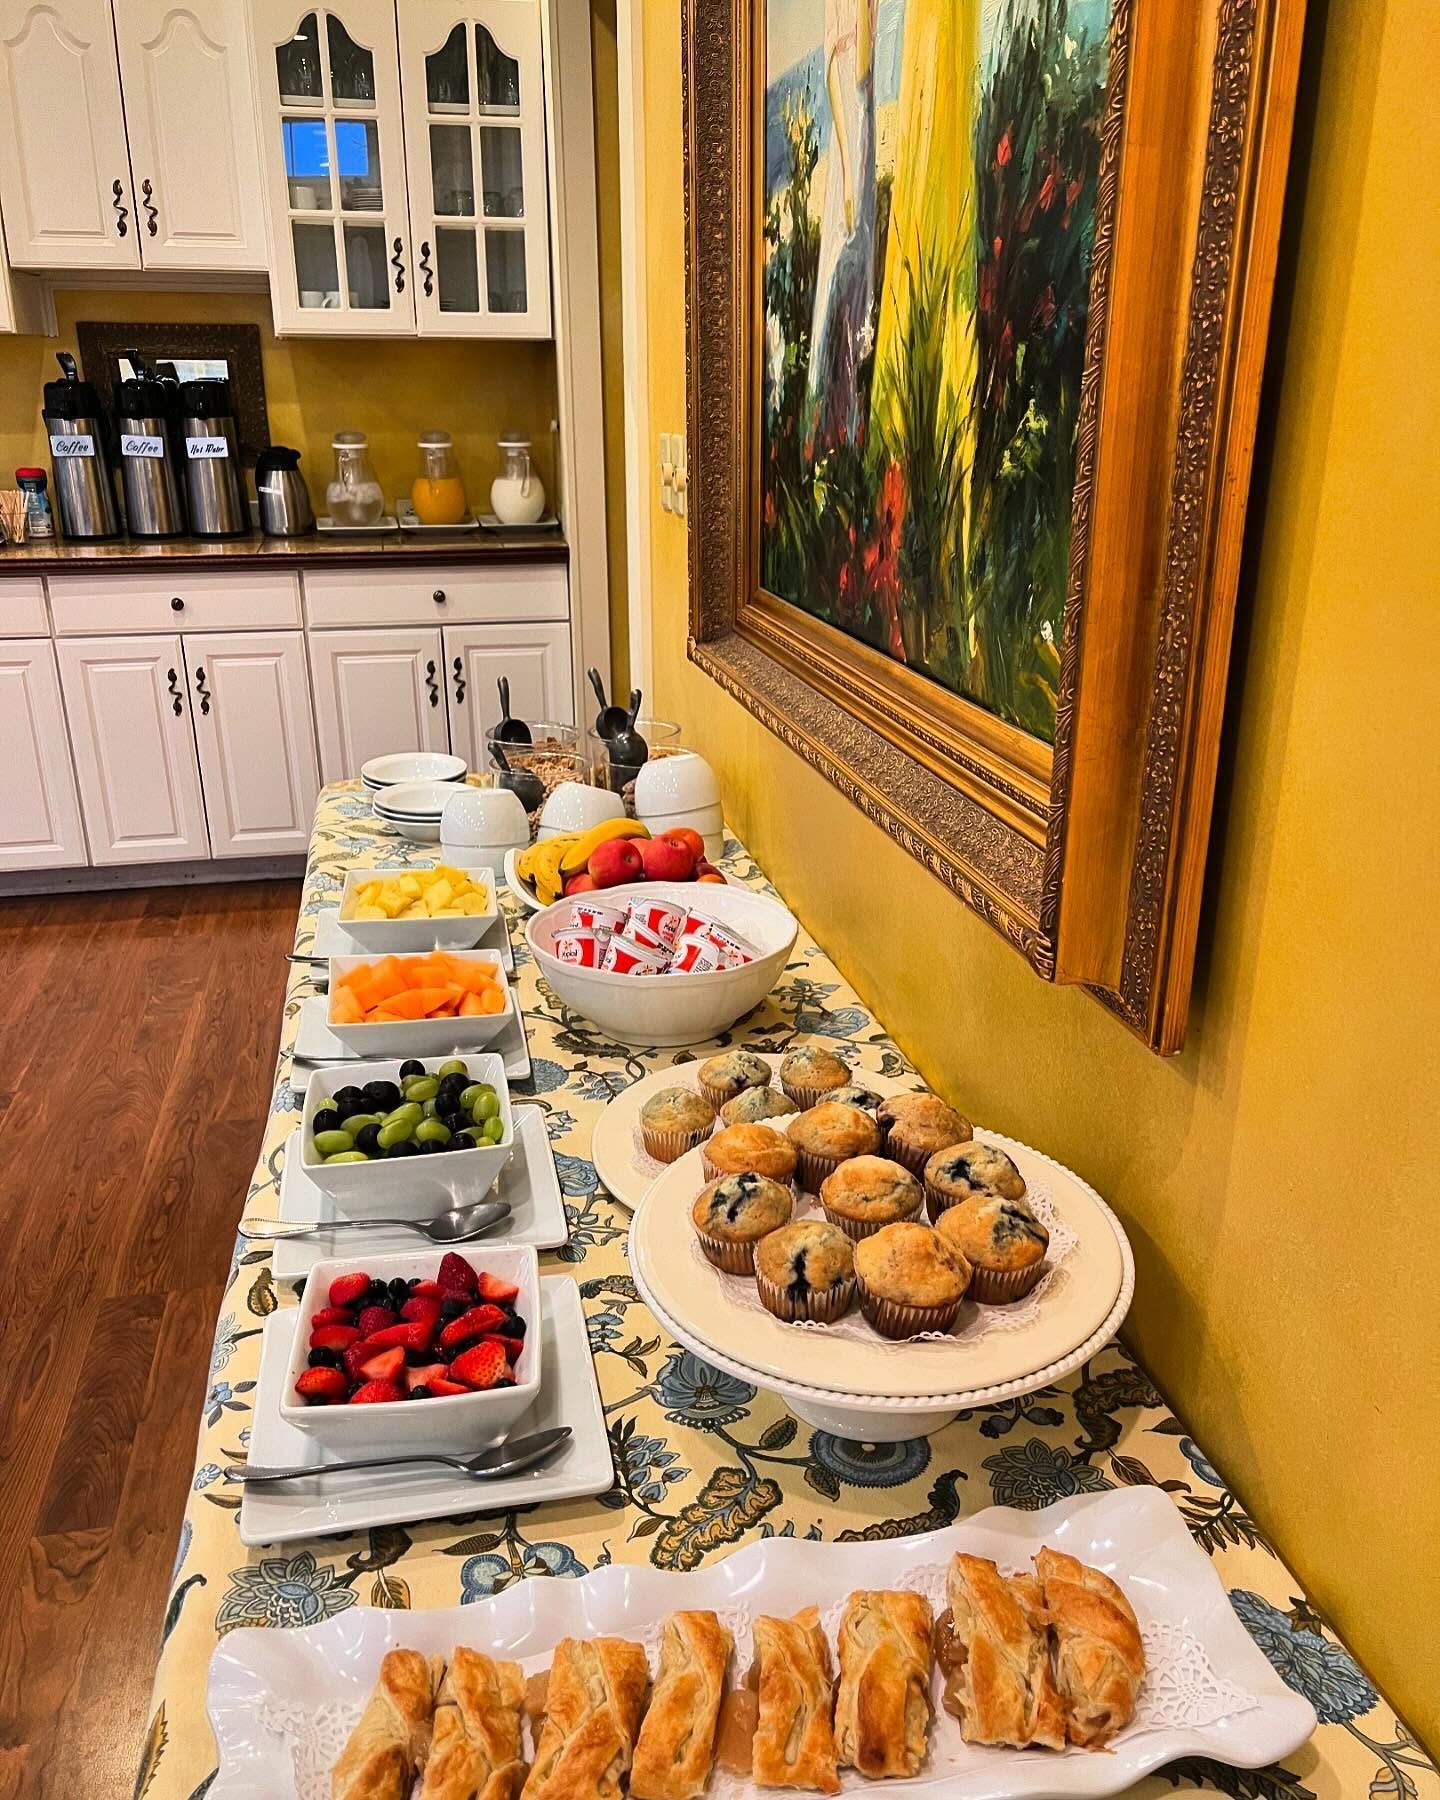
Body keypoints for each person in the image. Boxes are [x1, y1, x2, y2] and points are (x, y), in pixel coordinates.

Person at [806, 0, 877, 447]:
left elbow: (865, 69)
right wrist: (851, 176)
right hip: (850, 128)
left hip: (862, 115)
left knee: (861, 271)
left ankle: (851, 416)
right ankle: (834, 417)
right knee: (841, 262)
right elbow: (838, 72)